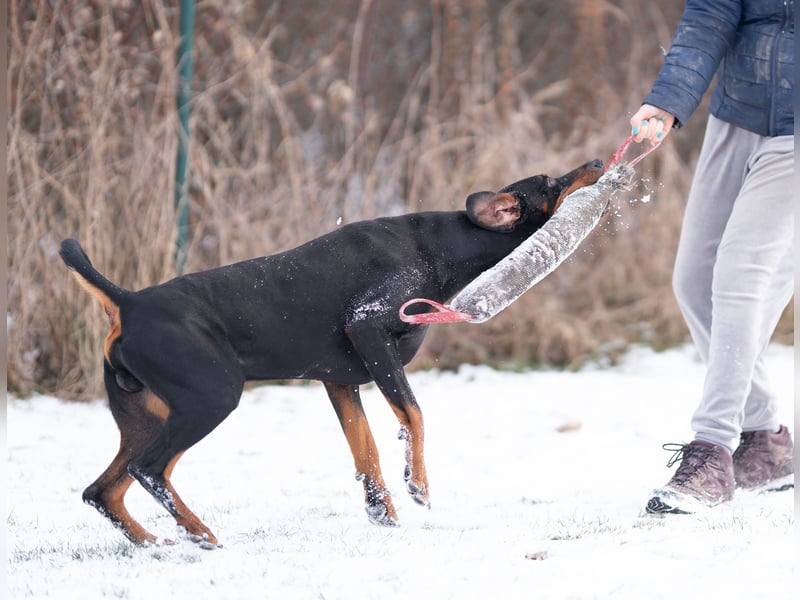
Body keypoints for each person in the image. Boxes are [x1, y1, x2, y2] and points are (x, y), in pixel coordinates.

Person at [628, 0, 794, 514]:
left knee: (741, 276)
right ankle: (765, 438)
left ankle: (713, 449)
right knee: (696, 282)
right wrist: (667, 101)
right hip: (736, 119)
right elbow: (708, 20)